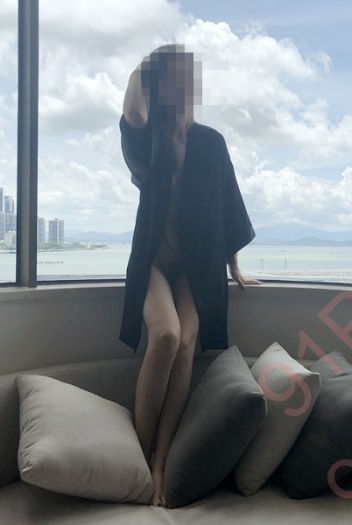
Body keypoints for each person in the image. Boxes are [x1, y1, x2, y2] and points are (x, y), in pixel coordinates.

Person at [118, 43, 261, 507]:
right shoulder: (150, 137)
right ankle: (139, 456)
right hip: (154, 260)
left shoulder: (211, 142)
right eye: (173, 76)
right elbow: (132, 114)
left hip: (196, 265)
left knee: (185, 345)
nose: (183, 84)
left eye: (187, 75)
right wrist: (144, 67)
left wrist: (234, 266)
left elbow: (228, 205)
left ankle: (162, 460)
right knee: (164, 336)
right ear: (159, 85)